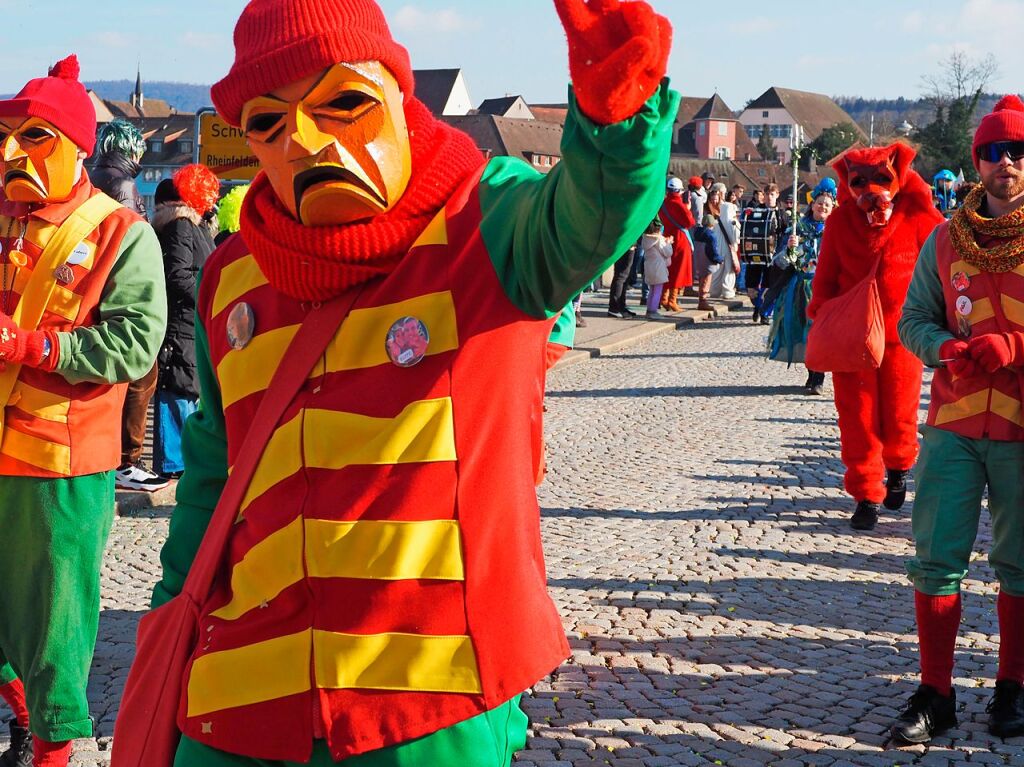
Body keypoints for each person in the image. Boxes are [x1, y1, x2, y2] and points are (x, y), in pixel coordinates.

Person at [124, 1, 678, 765]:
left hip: (423, 702)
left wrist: (617, 110)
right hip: (241, 704)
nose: (306, 143)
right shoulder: (232, 276)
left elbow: (589, 216)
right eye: (269, 123)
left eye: (341, 103)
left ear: (393, 92)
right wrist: (171, 629)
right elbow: (212, 486)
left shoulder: (482, 223)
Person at [0, 56, 165, 767]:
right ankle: (20, 723)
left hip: (60, 469)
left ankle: (56, 749)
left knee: (54, 626)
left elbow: (134, 342)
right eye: (4, 135)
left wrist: (32, 345)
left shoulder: (123, 233)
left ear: (74, 146)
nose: (10, 152)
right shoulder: (4, 220)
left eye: (32, 136)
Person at [894, 95, 1024, 745]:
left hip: (1022, 430)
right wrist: (941, 347)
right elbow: (913, 319)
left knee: (1022, 562)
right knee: (936, 560)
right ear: (976, 162)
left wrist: (1016, 348)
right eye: (994, 151)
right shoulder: (945, 241)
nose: (1006, 162)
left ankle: (1013, 685)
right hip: (953, 423)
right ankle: (936, 692)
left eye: (1018, 152)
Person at [807, 143, 944, 531]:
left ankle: (899, 466)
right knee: (857, 417)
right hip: (854, 336)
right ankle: (866, 492)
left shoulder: (916, 216)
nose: (871, 189)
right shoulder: (839, 222)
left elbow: (941, 260)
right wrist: (820, 314)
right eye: (860, 181)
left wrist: (915, 189)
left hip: (903, 334)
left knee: (899, 411)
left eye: (881, 178)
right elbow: (826, 276)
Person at [92, 121, 168, 493]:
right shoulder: (121, 184)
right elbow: (127, 239)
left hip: (100, 290)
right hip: (121, 290)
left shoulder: (100, 174)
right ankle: (127, 461)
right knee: (141, 373)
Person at [151, 167, 219, 479]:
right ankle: (173, 462)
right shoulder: (181, 226)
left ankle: (182, 460)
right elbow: (177, 275)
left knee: (189, 386)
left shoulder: (197, 226)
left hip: (192, 320)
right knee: (178, 385)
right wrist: (206, 296)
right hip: (182, 320)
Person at [765, 181, 836, 394]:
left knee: (821, 333)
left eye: (827, 205)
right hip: (799, 288)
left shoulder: (835, 232)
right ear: (812, 204)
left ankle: (819, 376)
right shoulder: (797, 228)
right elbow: (780, 262)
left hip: (824, 289)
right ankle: (811, 372)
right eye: (820, 203)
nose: (823, 207)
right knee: (803, 332)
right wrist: (790, 248)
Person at [740, 182, 786, 323]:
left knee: (769, 284)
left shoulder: (781, 213)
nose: (769, 197)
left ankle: (765, 313)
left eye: (772, 194)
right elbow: (746, 228)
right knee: (751, 284)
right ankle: (757, 306)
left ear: (777, 195)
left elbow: (786, 231)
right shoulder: (755, 210)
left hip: (773, 255)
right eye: (767, 194)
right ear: (763, 195)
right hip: (756, 252)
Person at [659, 177, 694, 311]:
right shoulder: (680, 204)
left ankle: (664, 298)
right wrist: (688, 208)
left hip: (667, 237)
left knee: (668, 269)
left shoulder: (663, 203)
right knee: (679, 270)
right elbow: (690, 223)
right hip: (680, 239)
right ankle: (672, 300)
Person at [707, 182, 740, 299]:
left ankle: (714, 290)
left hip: (715, 239)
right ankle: (727, 291)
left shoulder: (709, 205)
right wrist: (735, 241)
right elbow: (732, 225)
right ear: (722, 193)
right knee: (728, 267)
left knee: (717, 266)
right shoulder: (728, 206)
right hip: (726, 240)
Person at [642, 218, 672, 318]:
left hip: (649, 266)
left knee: (651, 290)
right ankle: (653, 311)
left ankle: (649, 309)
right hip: (658, 267)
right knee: (657, 291)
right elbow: (667, 252)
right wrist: (669, 243)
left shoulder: (645, 239)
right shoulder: (658, 239)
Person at [606, 243, 637, 318]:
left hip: (628, 244)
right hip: (626, 245)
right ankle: (614, 308)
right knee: (621, 276)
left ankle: (621, 307)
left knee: (625, 277)